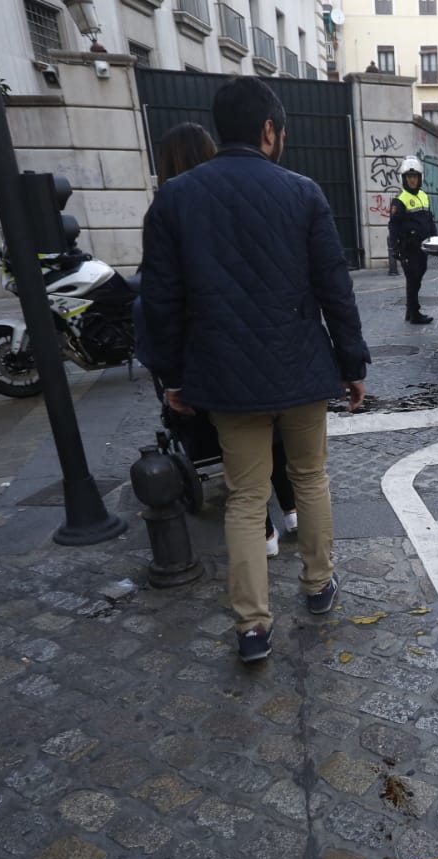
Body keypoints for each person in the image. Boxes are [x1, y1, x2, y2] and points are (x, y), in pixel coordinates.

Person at [140, 76, 369, 664]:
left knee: (244, 497)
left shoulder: (174, 198)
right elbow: (334, 289)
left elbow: (161, 301)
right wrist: (352, 363)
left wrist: (172, 377)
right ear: (269, 130)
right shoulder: (303, 193)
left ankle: (251, 627)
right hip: (300, 370)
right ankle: (318, 587)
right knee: (310, 477)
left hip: (225, 377)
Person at [139, 123, 298, 558]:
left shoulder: (169, 206)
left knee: (235, 449)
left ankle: (263, 533)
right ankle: (291, 511)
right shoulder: (235, 197)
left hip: (205, 352)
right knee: (274, 434)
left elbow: (158, 297)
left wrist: (171, 375)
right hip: (260, 342)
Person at [388, 157, 437, 324]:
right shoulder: (400, 200)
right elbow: (393, 226)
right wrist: (395, 249)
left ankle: (410, 311)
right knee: (413, 279)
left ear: (419, 178)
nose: (412, 180)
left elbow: (429, 220)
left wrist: (435, 238)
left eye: (415, 177)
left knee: (418, 278)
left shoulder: (423, 195)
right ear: (404, 179)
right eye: (409, 177)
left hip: (423, 248)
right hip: (408, 248)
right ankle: (414, 313)